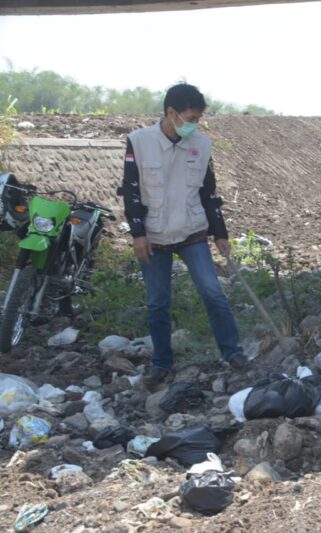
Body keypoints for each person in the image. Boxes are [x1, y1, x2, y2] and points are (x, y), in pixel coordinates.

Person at [118, 83, 248, 388]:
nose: (194, 125)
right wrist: (138, 234)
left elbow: (209, 192)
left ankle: (233, 354)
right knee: (157, 302)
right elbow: (131, 192)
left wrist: (220, 233)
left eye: (198, 119)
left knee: (213, 292)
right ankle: (161, 364)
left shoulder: (201, 146)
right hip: (154, 235)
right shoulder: (139, 142)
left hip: (192, 231)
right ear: (171, 113)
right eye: (190, 118)